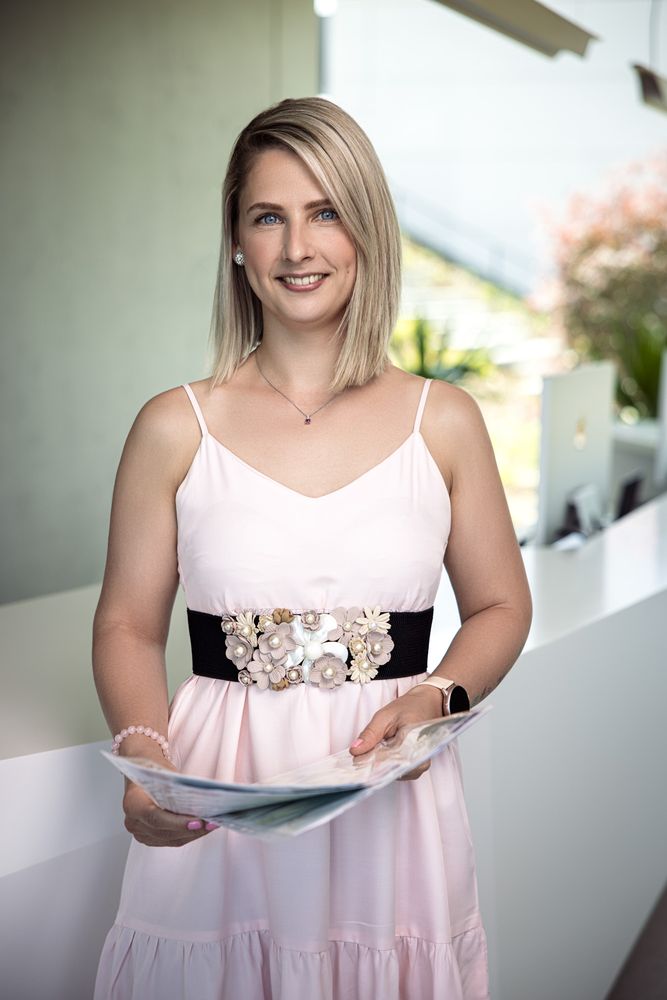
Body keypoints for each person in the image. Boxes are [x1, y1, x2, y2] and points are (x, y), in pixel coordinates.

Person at [92, 96, 532, 1000]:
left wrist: (437, 695)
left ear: (366, 229)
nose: (297, 248)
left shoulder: (443, 419)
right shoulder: (173, 426)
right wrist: (147, 764)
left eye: (325, 211)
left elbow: (500, 605)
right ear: (235, 242)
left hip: (391, 800)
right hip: (217, 797)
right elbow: (127, 625)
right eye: (268, 217)